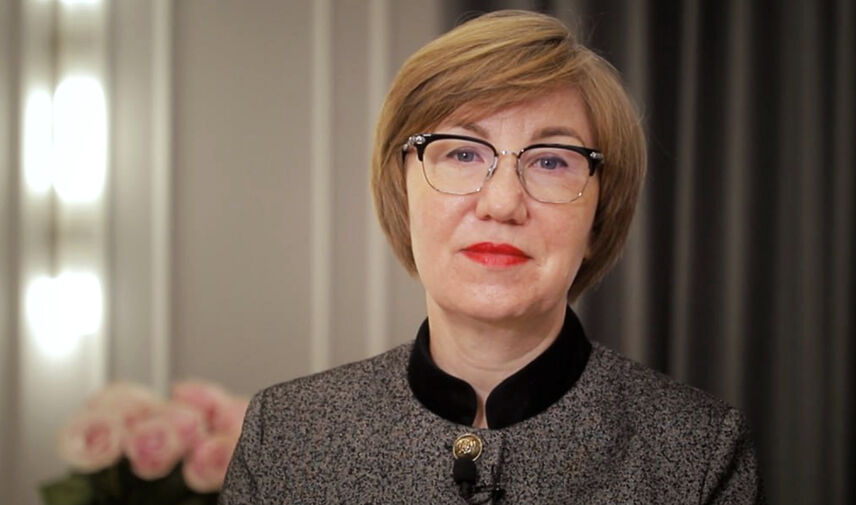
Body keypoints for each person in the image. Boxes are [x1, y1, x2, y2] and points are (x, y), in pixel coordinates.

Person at [220, 10, 764, 504]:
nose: (502, 203)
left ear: (599, 218)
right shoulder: (283, 435)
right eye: (462, 152)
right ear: (402, 195)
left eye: (551, 161)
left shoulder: (700, 453)